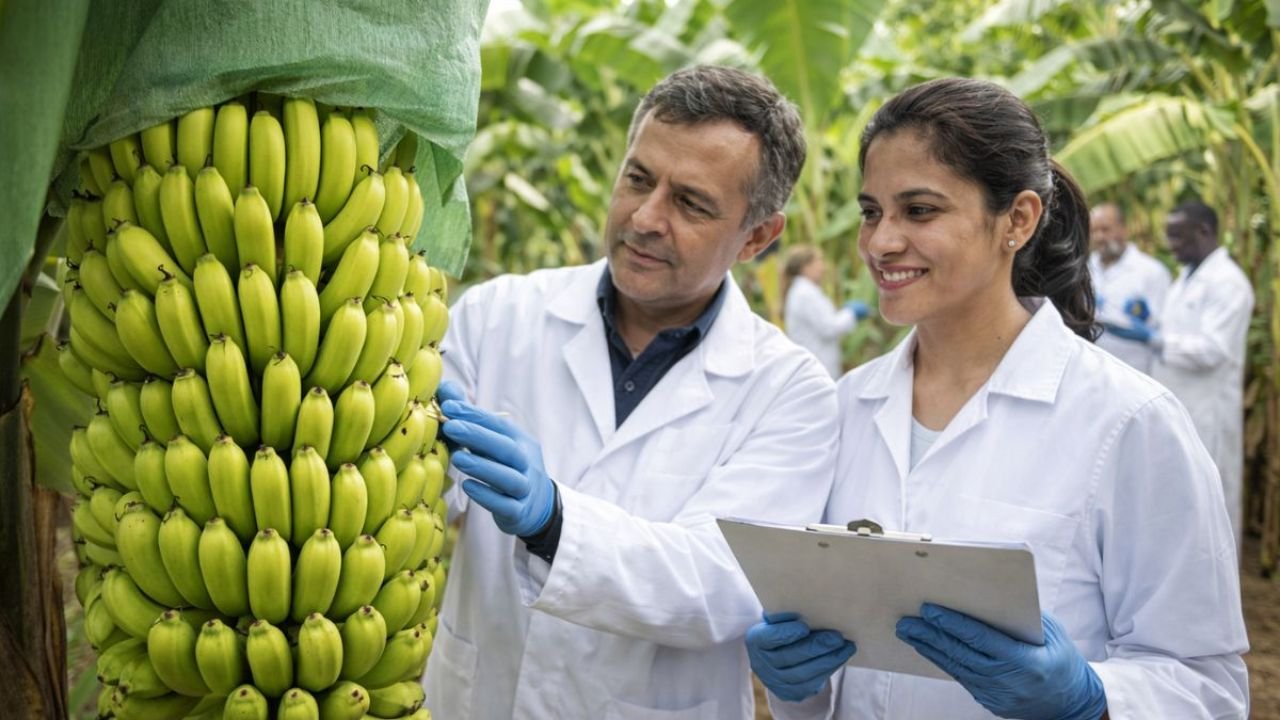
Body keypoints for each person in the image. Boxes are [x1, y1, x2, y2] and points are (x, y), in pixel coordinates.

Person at [745, 78, 1249, 719]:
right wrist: (800, 685)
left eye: (920, 211)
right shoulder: (846, 407)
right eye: (872, 211)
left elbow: (1209, 687)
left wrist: (1091, 703)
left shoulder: (1128, 422)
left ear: (1018, 219)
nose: (880, 242)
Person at [422, 65, 841, 719]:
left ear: (757, 237)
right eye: (638, 180)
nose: (645, 218)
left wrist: (553, 521)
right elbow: (419, 499)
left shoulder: (791, 392)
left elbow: (718, 583)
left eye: (691, 203)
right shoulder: (497, 315)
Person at [1111, 201, 1255, 549]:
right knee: (1180, 506)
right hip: (1181, 407)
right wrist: (1151, 323)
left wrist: (1153, 339)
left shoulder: (1228, 284)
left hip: (1208, 414)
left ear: (1204, 231)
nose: (1171, 244)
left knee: (1210, 508)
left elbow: (1212, 351)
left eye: (1177, 236)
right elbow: (1179, 331)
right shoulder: (1186, 278)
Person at [1088, 202, 1171, 373]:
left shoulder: (1152, 271)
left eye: (1105, 229)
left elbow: (1165, 329)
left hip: (1136, 370)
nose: (1099, 237)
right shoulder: (1083, 269)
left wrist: (1144, 325)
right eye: (1094, 231)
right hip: (1092, 369)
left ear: (1124, 229)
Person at [783, 244, 870, 377]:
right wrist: (851, 313)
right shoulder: (806, 294)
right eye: (818, 262)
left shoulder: (803, 290)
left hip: (817, 364)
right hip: (817, 364)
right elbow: (828, 327)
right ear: (805, 267)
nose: (823, 268)